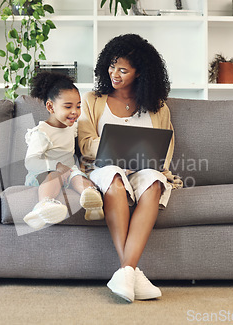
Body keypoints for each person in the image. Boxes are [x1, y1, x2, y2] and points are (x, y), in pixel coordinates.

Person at [78, 34, 182, 302]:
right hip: (104, 168)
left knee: (155, 182)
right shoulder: (93, 100)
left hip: (142, 169)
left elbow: (165, 146)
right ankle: (131, 272)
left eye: (123, 70)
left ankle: (125, 272)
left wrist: (156, 164)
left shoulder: (158, 107)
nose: (115, 73)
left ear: (139, 73)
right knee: (113, 177)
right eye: (112, 66)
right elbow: (86, 143)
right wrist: (111, 146)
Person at [23, 72, 104, 230]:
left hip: (69, 170)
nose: (75, 111)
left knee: (79, 178)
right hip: (44, 173)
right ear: (50, 107)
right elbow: (30, 162)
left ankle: (91, 200)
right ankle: (43, 204)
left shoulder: (72, 126)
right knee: (57, 174)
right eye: (68, 106)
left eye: (78, 106)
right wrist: (56, 165)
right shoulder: (42, 132)